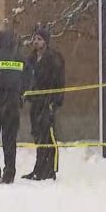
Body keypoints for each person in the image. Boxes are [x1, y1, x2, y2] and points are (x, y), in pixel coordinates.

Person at [23, 25, 65, 181]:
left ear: (45, 42)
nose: (35, 42)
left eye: (39, 39)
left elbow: (60, 81)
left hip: (48, 101)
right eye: (34, 38)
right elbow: (27, 78)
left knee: (48, 135)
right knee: (37, 134)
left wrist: (56, 101)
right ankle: (38, 168)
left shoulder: (54, 58)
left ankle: (49, 169)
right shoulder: (31, 59)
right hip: (36, 102)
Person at [0, 28, 26, 184]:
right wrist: (20, 92)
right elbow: (29, 77)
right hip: (13, 104)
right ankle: (9, 173)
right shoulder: (21, 59)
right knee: (10, 140)